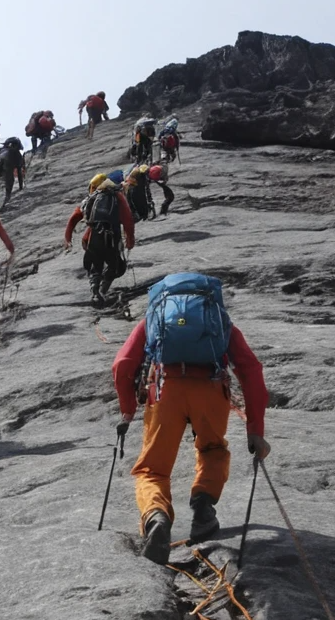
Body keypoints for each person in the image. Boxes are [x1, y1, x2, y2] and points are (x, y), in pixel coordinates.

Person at [111, 273, 270, 565]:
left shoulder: (154, 320)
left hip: (165, 390)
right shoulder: (220, 322)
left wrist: (127, 409)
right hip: (210, 390)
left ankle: (156, 516)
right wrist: (255, 430)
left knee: (152, 469)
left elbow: (122, 365)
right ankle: (203, 509)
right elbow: (251, 370)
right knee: (212, 449)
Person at [64, 173, 135, 304]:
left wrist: (68, 238)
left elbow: (74, 218)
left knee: (95, 267)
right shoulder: (117, 197)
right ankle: (102, 291)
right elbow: (128, 220)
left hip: (91, 239)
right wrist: (130, 240)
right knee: (116, 267)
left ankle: (95, 292)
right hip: (111, 239)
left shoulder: (91, 199)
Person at [0, 136, 26, 207]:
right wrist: (21, 187)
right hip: (7, 165)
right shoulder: (16, 154)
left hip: (2, 168)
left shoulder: (2, 151)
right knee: (10, 180)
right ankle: (7, 197)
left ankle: (6, 197)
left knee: (8, 180)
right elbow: (19, 172)